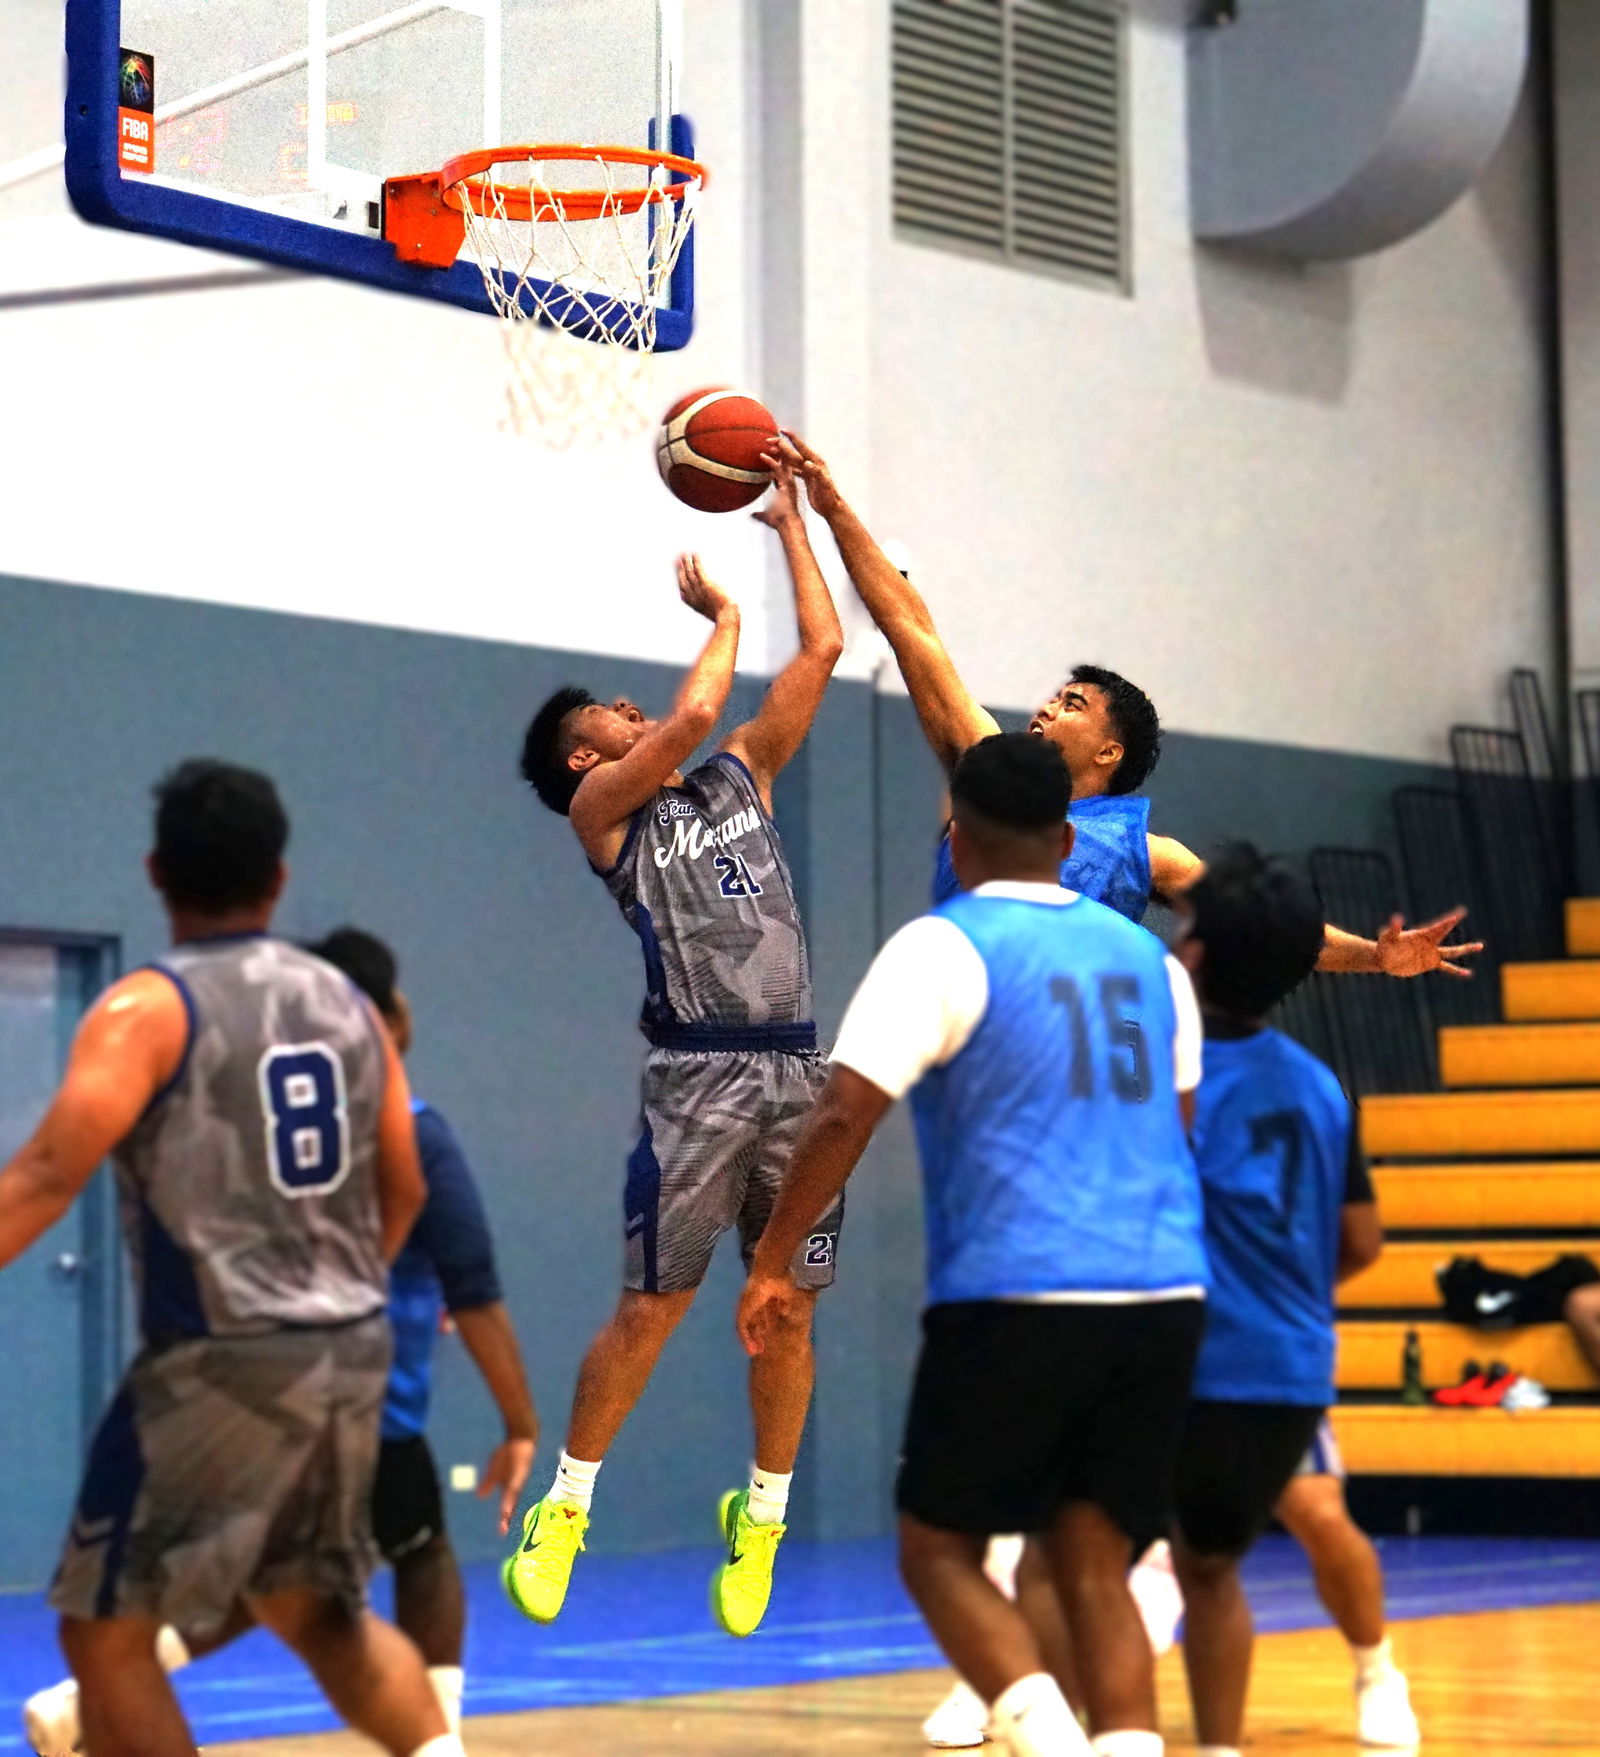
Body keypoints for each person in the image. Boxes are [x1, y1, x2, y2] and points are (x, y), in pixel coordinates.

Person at [740, 732, 1208, 1757]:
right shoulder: (1151, 959)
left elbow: (840, 1115)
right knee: (1093, 1560)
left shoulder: (942, 946)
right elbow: (1176, 1125)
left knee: (936, 1547)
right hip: (1165, 1292)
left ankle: (1046, 1737)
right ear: (1067, 837)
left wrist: (773, 1257)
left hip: (1022, 1292)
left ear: (956, 835)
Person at [0, 760, 462, 1757]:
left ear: (156, 870)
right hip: (350, 1348)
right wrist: (336, 1296)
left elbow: (44, 1173)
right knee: (319, 1614)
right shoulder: (348, 1004)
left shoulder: (146, 1009)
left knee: (103, 1631)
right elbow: (404, 1182)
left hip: (219, 1363)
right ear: (278, 877)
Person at [22, 927, 540, 1757]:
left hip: (236, 1389)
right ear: (384, 1017)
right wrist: (518, 1419)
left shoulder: (241, 1110)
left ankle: (85, 1702)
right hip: (359, 1396)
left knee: (271, 1584)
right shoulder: (408, 1125)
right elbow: (469, 1276)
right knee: (405, 1561)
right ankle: (443, 1738)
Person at [508, 463, 845, 1639]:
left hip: (800, 1071)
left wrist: (792, 527)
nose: (626, 707)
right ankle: (565, 1505)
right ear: (581, 759)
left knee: (789, 1309)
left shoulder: (741, 773)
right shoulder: (602, 816)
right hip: (698, 1076)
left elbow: (824, 650)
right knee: (654, 1307)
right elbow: (693, 714)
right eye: (602, 714)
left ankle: (763, 1518)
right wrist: (727, 615)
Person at [770, 431, 1481, 980]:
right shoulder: (988, 767)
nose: (1046, 709)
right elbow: (912, 629)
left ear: (1109, 751)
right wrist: (833, 509)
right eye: (1053, 697)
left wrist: (1374, 957)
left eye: (1072, 704)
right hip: (979, 1040)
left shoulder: (1146, 853)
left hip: (1083, 1066)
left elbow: (1263, 926)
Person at [1163, 843, 1413, 1757]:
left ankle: (1377, 1667)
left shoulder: (1168, 1076)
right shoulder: (1317, 1083)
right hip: (1280, 1357)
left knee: (1283, 1524)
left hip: (1203, 1350)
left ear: (1193, 953)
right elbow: (1362, 1243)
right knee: (1195, 1557)